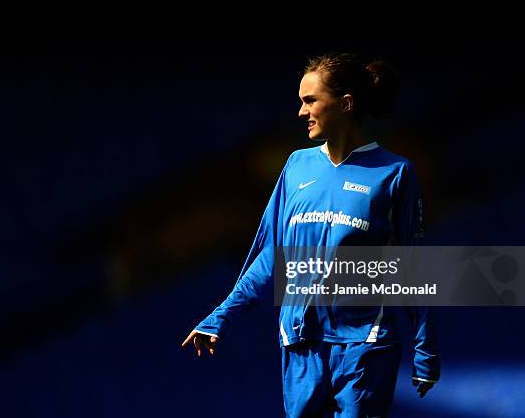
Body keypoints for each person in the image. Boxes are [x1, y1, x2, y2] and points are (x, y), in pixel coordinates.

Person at [181, 51, 440, 417]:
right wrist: (221, 315)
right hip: (301, 343)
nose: (302, 112)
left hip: (366, 342)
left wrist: (424, 346)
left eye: (310, 101)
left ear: (345, 104)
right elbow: (272, 254)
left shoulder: (395, 173)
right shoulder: (296, 166)